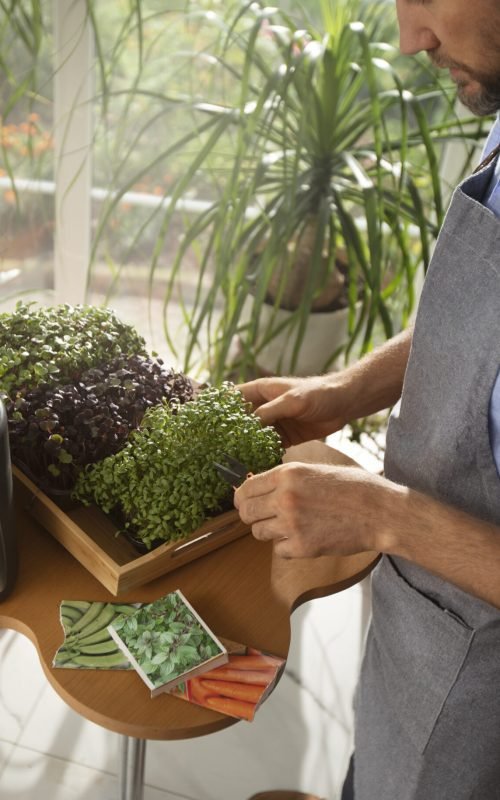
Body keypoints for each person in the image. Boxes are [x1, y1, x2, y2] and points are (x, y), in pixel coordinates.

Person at [233, 2, 500, 798]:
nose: (410, 39)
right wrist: (342, 391)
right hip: (423, 633)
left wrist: (385, 515)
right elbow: (477, 320)